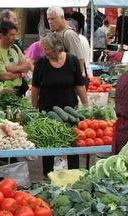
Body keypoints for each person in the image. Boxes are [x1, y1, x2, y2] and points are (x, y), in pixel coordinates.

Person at [31, 32, 88, 175]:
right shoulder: (42, 63)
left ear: (56, 48)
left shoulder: (72, 60)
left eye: (47, 49)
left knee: (72, 142)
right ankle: (48, 175)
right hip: (47, 109)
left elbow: (79, 85)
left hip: (70, 111)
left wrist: (86, 106)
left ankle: (74, 173)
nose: (45, 52)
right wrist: (34, 107)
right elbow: (35, 87)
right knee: (49, 143)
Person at [0, 21, 31, 96]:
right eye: (11, 35)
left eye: (15, 35)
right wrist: (21, 69)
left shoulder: (15, 48)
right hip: (5, 94)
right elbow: (5, 76)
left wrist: (13, 69)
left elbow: (28, 66)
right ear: (1, 36)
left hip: (21, 90)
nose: (14, 38)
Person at [46, 6, 85, 73]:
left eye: (53, 19)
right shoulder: (56, 33)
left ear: (62, 17)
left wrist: (77, 81)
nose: (50, 22)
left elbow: (79, 60)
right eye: (48, 19)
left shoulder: (69, 34)